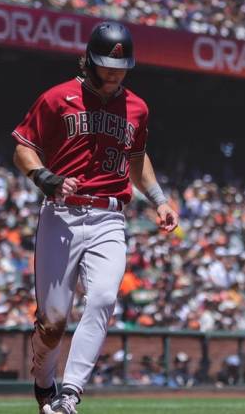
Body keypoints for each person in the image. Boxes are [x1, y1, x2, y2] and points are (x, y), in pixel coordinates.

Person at [12, 21, 178, 414]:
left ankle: (70, 393)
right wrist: (44, 177)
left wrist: (158, 198)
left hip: (109, 216)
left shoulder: (137, 108)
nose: (114, 72)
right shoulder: (57, 98)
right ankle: (43, 381)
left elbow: (135, 159)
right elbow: (23, 147)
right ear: (87, 60)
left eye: (120, 66)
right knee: (52, 323)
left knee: (103, 298)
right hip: (62, 214)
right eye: (106, 64)